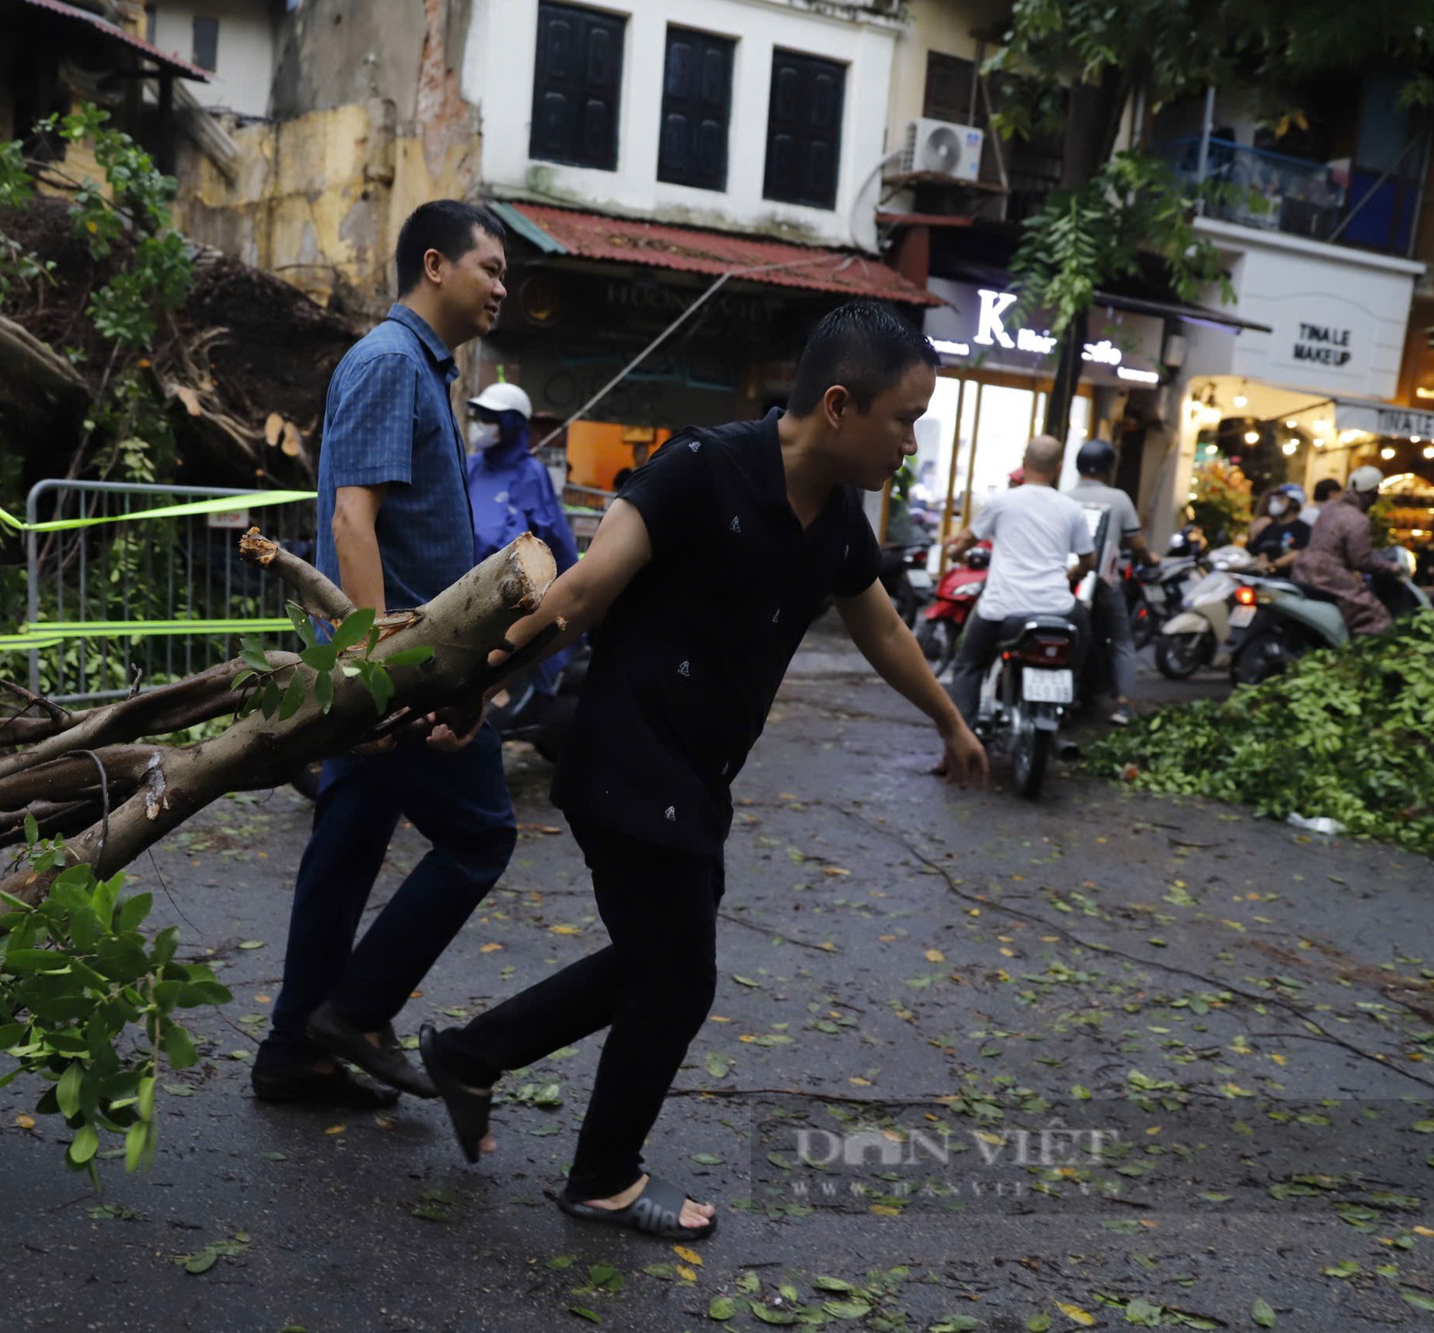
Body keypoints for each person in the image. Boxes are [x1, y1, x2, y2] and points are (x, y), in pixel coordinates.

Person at [412, 303, 990, 1241]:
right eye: (906, 420)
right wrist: (482, 682)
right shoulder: (697, 468)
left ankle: (474, 1056)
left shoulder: (836, 516)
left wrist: (949, 719)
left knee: (655, 962)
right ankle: (601, 1174)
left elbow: (879, 624)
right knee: (678, 979)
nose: (910, 445)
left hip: (699, 775)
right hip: (627, 760)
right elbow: (585, 590)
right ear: (840, 406)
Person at [251, 200, 516, 1110]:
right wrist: (380, 672)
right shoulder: (390, 362)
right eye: (491, 268)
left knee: (348, 843)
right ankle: (356, 1013)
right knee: (482, 835)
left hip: (396, 658)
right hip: (401, 666)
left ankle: (296, 1049)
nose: (501, 287)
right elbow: (351, 520)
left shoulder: (420, 369)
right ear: (435, 265)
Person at [943, 436, 1097, 727]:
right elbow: (1089, 560)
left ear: (1024, 464)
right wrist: (1075, 571)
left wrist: (955, 553)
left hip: (1002, 612)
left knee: (968, 665)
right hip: (1057, 610)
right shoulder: (1071, 509)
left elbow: (966, 539)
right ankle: (1073, 694)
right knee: (1083, 631)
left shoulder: (1002, 502)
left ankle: (960, 740)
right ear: (1059, 467)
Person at [465, 379, 579, 695]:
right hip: (460, 607)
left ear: (511, 425)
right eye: (479, 417)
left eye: (491, 419)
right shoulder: (469, 468)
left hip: (510, 614)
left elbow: (558, 546)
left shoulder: (531, 475)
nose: (480, 427)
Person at [1067, 438, 1157, 724]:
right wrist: (1150, 558)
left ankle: (1068, 695)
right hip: (1105, 581)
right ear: (1108, 468)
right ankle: (1124, 704)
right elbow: (1136, 542)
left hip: (1069, 579)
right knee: (1121, 640)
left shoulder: (1065, 497)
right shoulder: (1119, 498)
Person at [1294, 465, 1403, 635]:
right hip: (1328, 573)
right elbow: (1361, 561)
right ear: (1372, 492)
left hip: (1303, 568)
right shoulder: (1358, 520)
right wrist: (1391, 567)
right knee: (1375, 616)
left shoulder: (1329, 507)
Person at [1249, 484, 1313, 577]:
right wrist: (1261, 562)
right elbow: (1257, 549)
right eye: (1275, 499)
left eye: (1281, 499)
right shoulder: (1270, 527)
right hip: (1262, 580)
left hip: (1286, 582)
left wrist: (1273, 565)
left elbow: (1298, 554)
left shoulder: (1304, 529)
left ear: (1294, 503)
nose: (1275, 502)